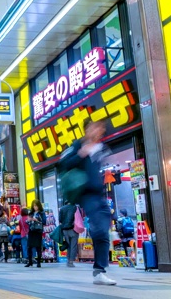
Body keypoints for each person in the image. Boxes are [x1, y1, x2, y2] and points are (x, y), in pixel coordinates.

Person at [60, 120, 116, 285]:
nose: (99, 131)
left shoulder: (101, 147)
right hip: (86, 195)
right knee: (99, 226)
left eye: (101, 128)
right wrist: (81, 154)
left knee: (104, 230)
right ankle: (99, 270)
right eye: (95, 127)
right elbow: (63, 164)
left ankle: (99, 272)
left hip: (100, 195)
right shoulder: (77, 145)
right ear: (87, 129)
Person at [25, 200, 45, 268]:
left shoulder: (41, 213)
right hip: (31, 231)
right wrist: (29, 220)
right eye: (33, 206)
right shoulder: (31, 213)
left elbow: (44, 221)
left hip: (38, 231)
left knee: (38, 247)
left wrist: (37, 220)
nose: (35, 207)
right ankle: (30, 262)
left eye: (36, 206)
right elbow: (27, 221)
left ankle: (39, 262)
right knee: (29, 247)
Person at [59, 201, 79, 267]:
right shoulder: (75, 208)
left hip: (65, 230)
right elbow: (79, 218)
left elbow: (60, 220)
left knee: (68, 245)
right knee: (73, 246)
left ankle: (68, 260)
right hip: (73, 229)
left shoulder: (62, 209)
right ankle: (71, 261)